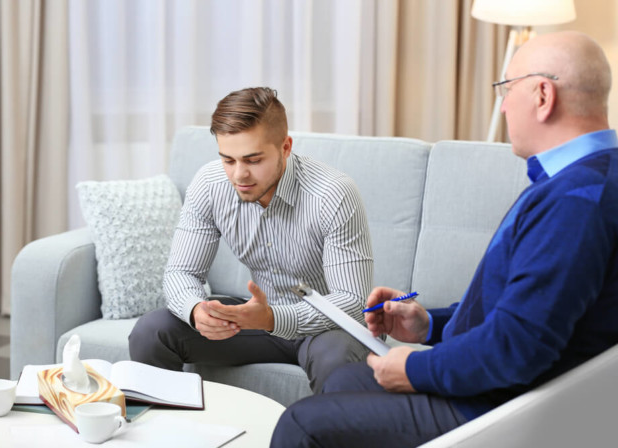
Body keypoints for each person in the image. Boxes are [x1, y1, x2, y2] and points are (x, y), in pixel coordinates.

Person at [271, 30, 618, 448]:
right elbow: (520, 310)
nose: (504, 105)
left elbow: (518, 346)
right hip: (499, 388)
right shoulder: (585, 180)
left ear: (543, 95)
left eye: (507, 89)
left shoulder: (577, 200)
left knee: (302, 423)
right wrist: (430, 323)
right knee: (347, 376)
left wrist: (417, 369)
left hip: (498, 408)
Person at [128, 87, 374, 393]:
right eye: (228, 160)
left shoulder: (333, 194)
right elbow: (182, 272)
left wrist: (273, 317)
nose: (239, 175)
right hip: (257, 321)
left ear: (285, 147)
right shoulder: (209, 185)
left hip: (327, 328)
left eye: (253, 160)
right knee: (152, 331)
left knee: (337, 360)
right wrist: (195, 310)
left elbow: (350, 301)